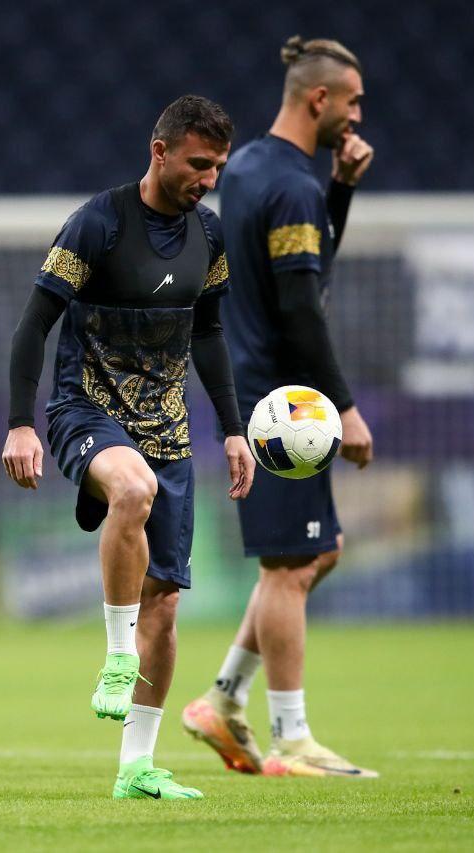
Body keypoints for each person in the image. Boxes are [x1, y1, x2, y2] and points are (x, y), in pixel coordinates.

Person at [2, 95, 256, 800]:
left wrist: (233, 428)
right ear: (159, 151)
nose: (208, 179)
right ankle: (117, 655)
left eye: (218, 167)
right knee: (132, 487)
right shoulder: (99, 223)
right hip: (86, 409)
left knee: (166, 606)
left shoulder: (210, 235)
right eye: (198, 164)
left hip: (167, 429)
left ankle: (136, 768)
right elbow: (34, 324)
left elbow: (208, 333)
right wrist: (21, 423)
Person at [181, 36, 378, 778]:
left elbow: (301, 274)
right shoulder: (291, 187)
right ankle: (292, 739)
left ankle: (223, 697)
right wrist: (346, 408)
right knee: (291, 566)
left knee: (316, 552)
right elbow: (302, 307)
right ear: (319, 98)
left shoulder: (252, 168)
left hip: (256, 388)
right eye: (352, 101)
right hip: (281, 402)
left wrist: (342, 191)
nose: (358, 115)